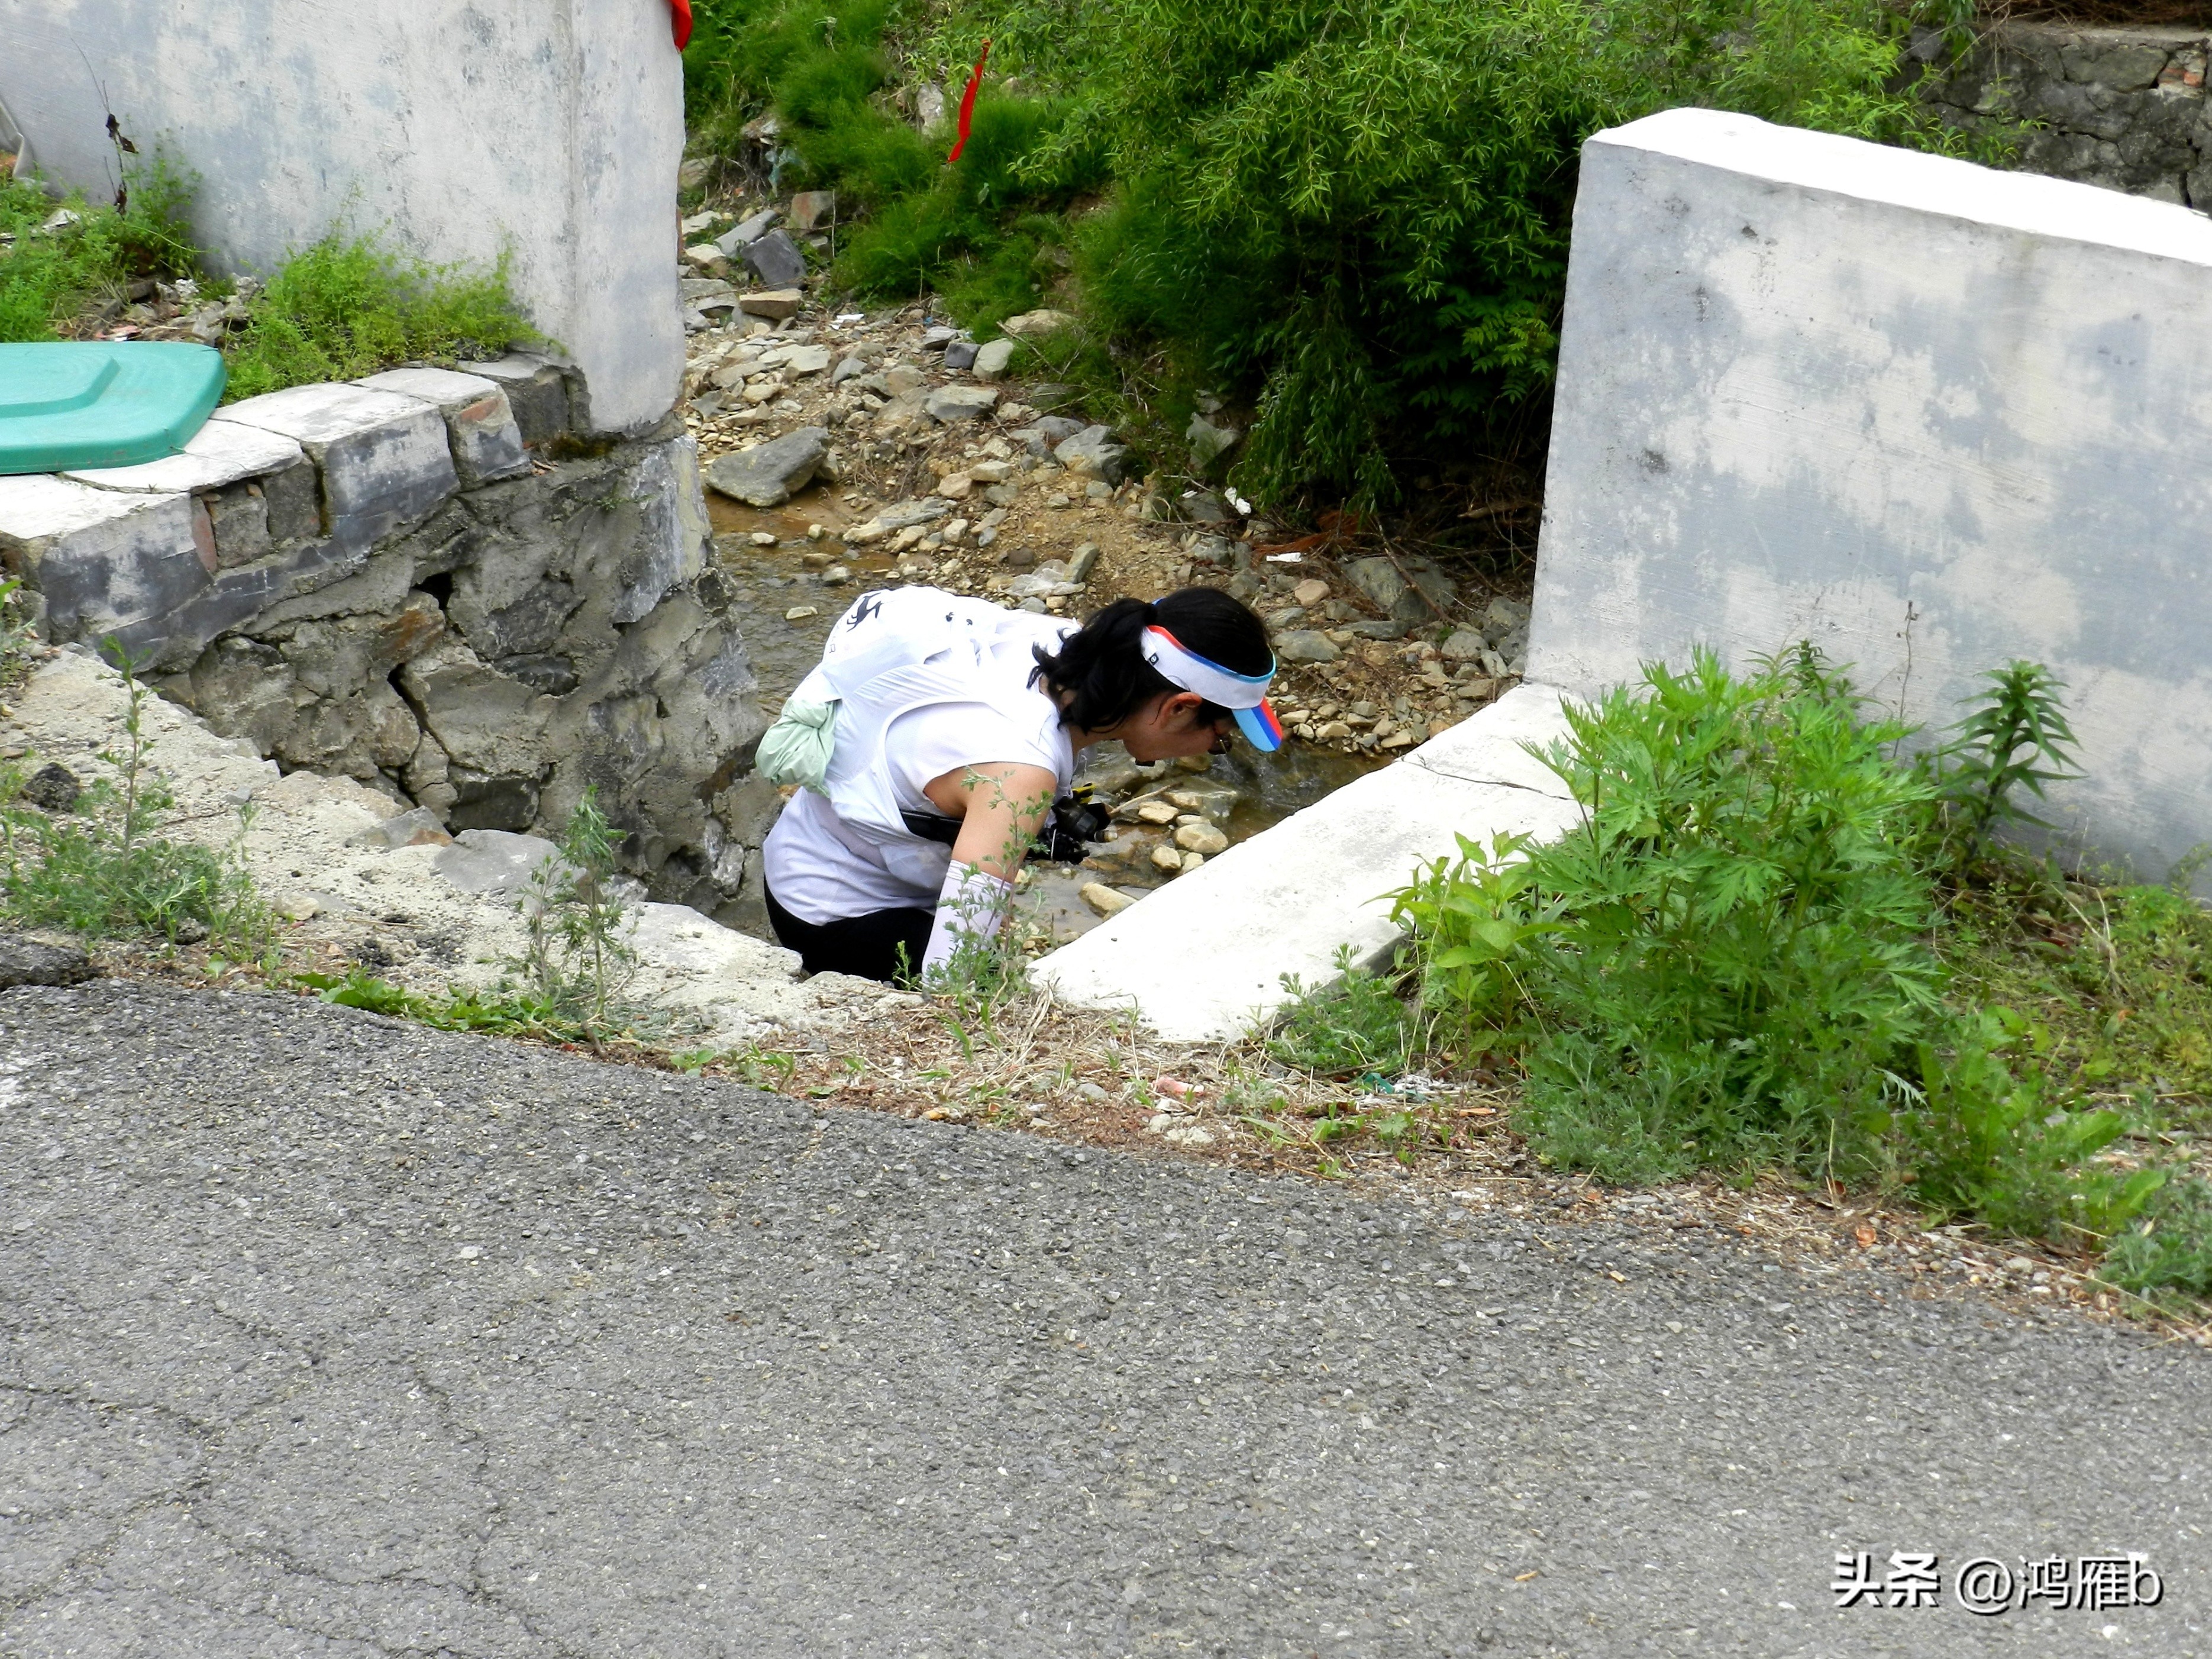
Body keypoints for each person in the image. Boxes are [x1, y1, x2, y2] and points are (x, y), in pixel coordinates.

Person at [755, 584, 1282, 983]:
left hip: (808, 843)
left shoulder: (1066, 649)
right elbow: (953, 974)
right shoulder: (1021, 769)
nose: (1210, 750)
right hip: (834, 910)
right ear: (1178, 707)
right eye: (1219, 738)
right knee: (986, 984)